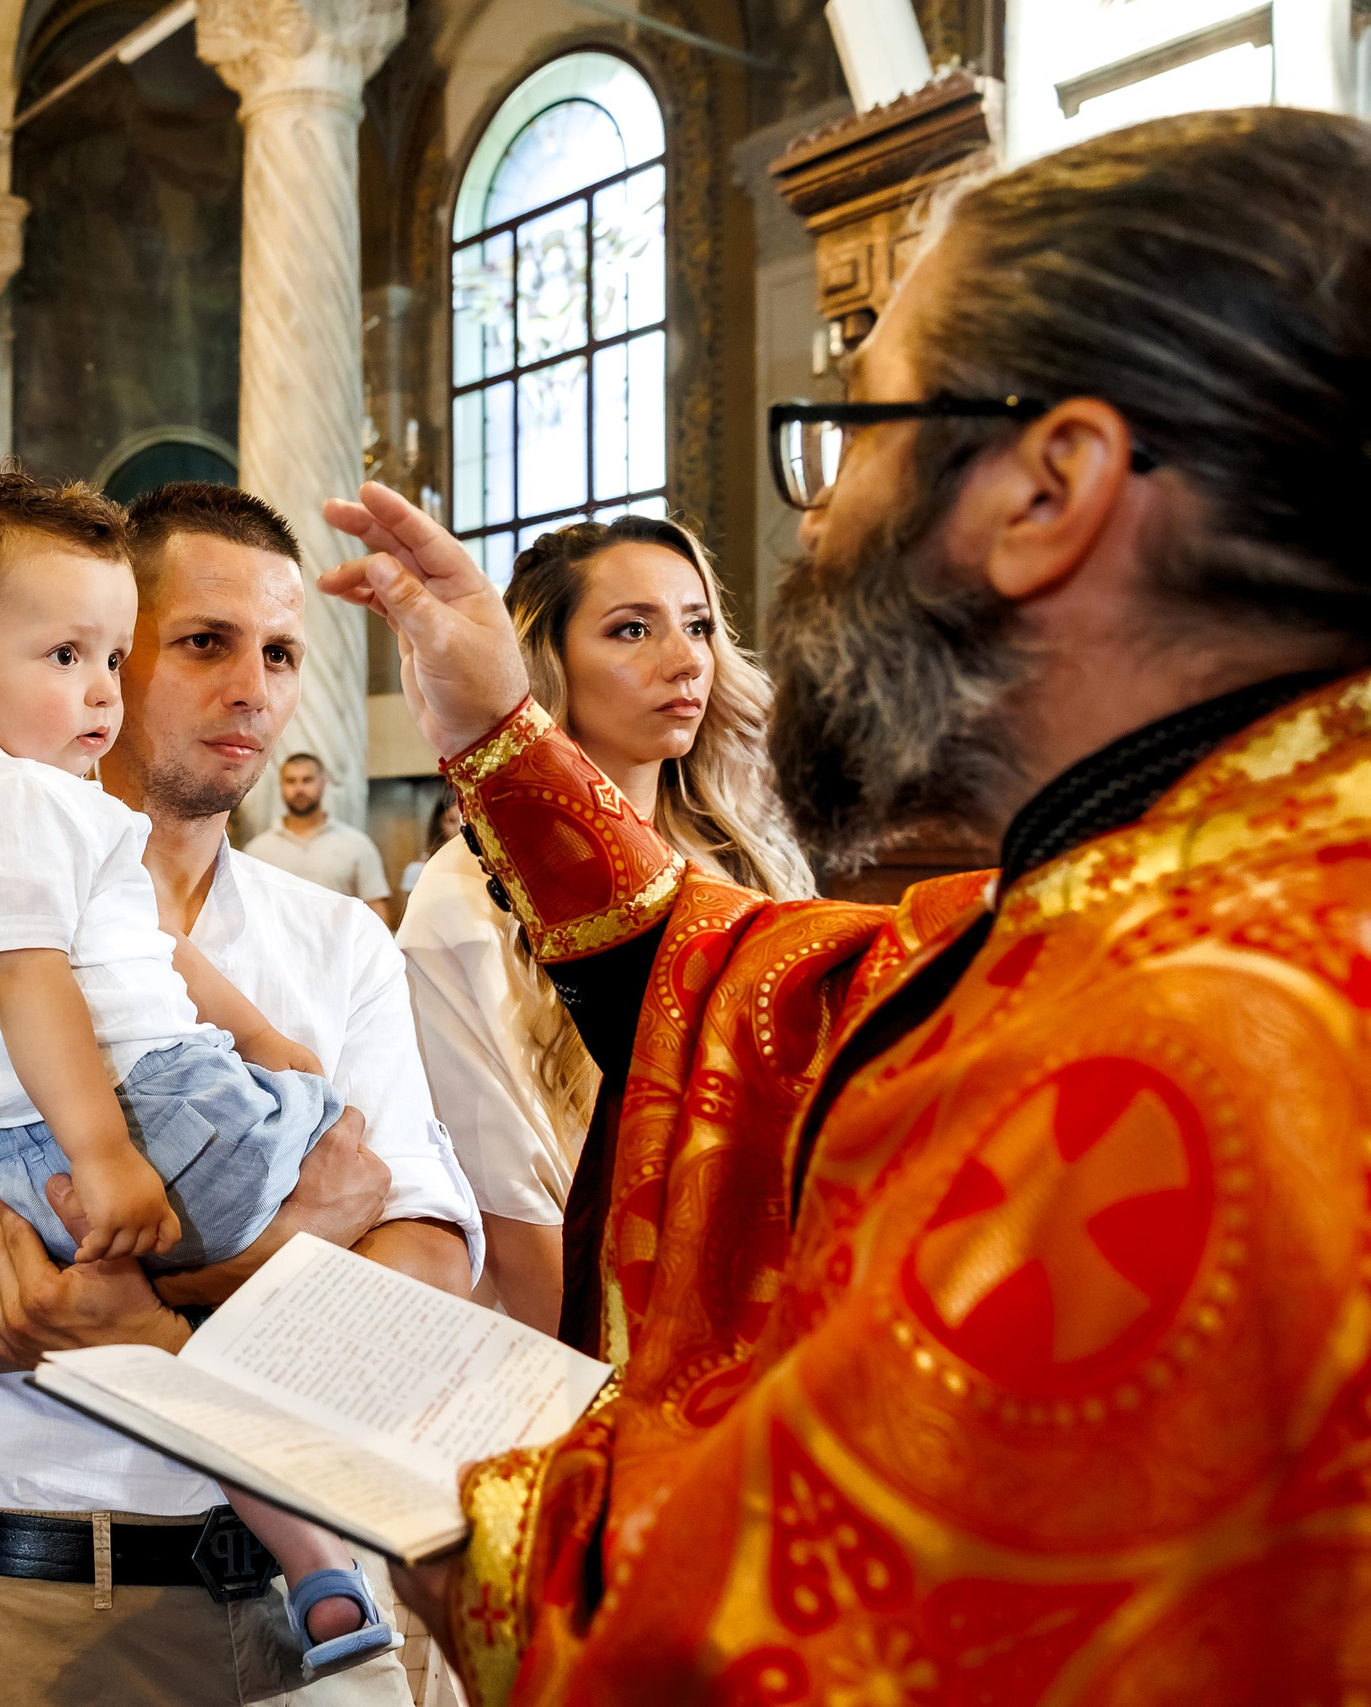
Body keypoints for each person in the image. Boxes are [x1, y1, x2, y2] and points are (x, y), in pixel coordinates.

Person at [320, 108, 1371, 1704]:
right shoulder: (1235, 871)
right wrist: (495, 725)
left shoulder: (1197, 1056)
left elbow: (770, 1653)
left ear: (1052, 486)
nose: (818, 520)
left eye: (861, 428)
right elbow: (788, 990)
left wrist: (453, 1507)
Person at [0, 477, 482, 1706]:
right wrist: (301, 1237)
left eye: (282, 652)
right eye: (201, 643)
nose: (254, 690)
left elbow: (428, 1279)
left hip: (321, 1605)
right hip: (43, 1604)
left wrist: (127, 1309)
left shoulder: (338, 940)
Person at [394, 517, 812, 1336]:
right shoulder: (466, 901)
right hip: (586, 1339)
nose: (688, 658)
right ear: (545, 665)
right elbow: (520, 1233)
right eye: (632, 629)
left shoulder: (747, 859)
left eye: (697, 625)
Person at [245, 752, 393, 925]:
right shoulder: (256, 851)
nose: (299, 789)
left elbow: (376, 910)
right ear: (281, 785)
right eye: (291, 781)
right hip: (274, 950)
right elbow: (247, 911)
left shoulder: (356, 844)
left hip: (340, 949)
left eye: (307, 780)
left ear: (322, 784)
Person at [392, 792, 459, 899]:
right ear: (438, 823)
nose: (458, 829)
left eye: (464, 821)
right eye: (451, 821)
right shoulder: (419, 870)